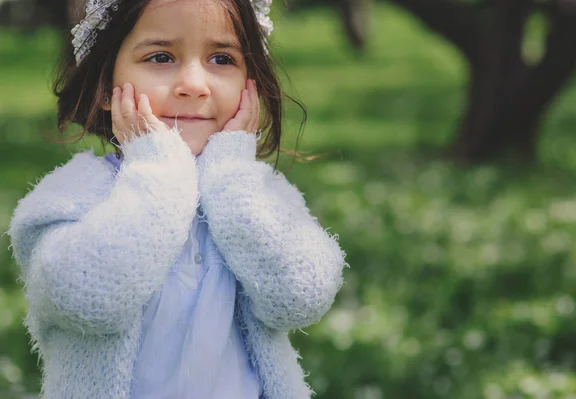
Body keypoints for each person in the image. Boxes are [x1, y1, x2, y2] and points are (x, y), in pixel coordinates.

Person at [6, 0, 347, 398]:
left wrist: (231, 176)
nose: (194, 84)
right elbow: (91, 298)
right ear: (104, 86)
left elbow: (301, 297)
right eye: (161, 56)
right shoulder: (71, 197)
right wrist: (158, 168)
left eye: (221, 58)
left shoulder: (255, 191)